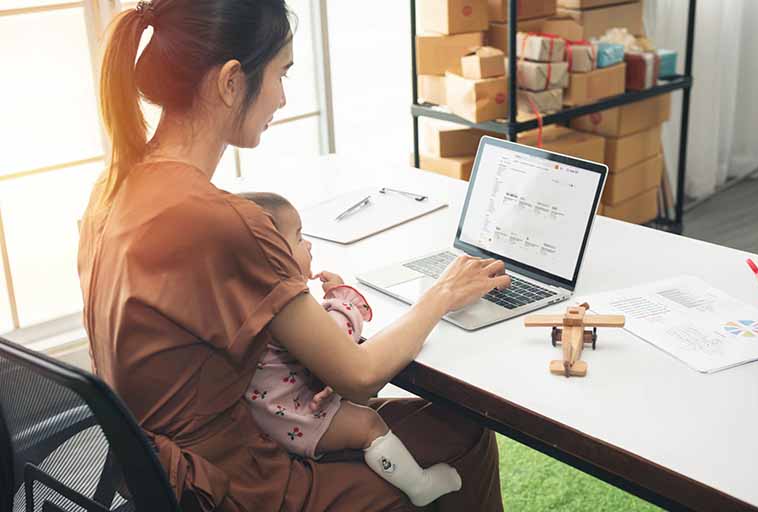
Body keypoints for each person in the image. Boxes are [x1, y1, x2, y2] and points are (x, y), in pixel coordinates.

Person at [78, 1, 511, 510]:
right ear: (231, 81)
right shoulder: (219, 221)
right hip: (236, 486)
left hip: (154, 478)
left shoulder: (109, 195)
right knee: (467, 437)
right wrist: (441, 295)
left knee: (389, 420)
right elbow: (358, 372)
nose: (283, 98)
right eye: (281, 73)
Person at [239, 192, 461, 507]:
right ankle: (420, 484)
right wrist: (344, 299)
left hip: (268, 414)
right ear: (272, 257)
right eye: (300, 238)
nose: (310, 245)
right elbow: (339, 338)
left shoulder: (243, 299)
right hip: (294, 417)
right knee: (367, 423)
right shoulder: (280, 303)